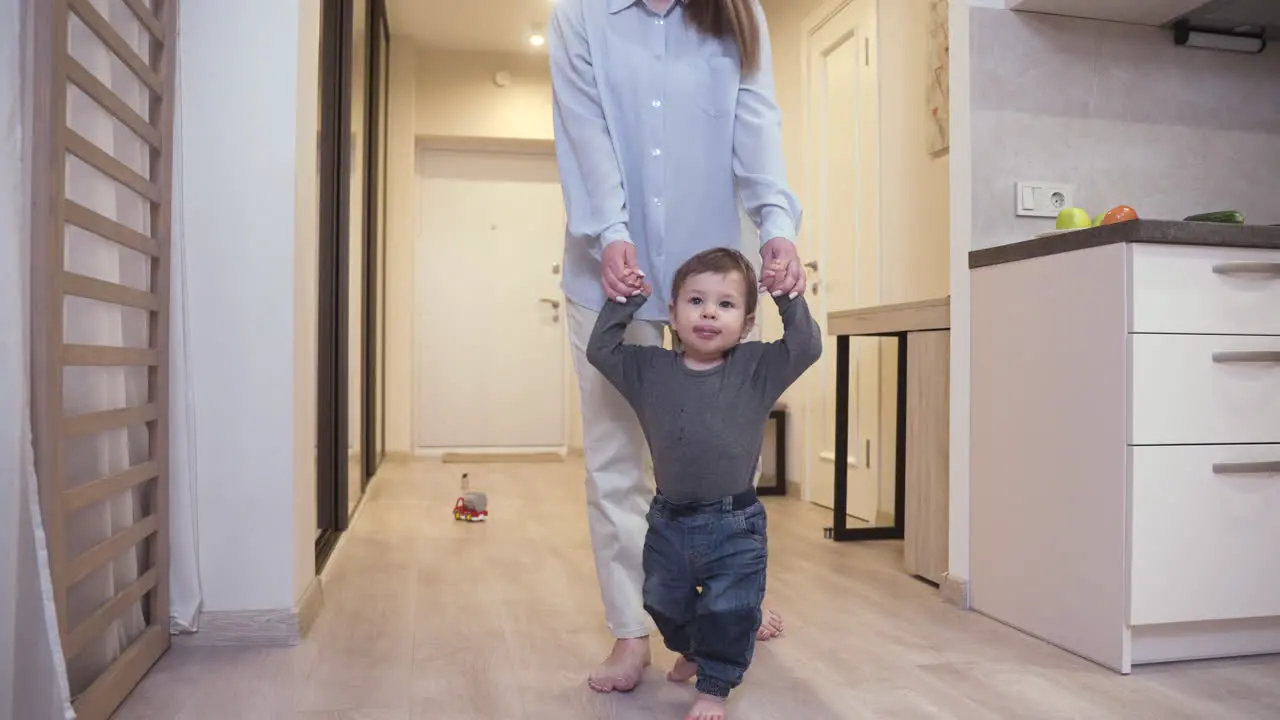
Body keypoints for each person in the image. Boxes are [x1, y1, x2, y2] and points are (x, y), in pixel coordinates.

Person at [548, 0, 808, 694]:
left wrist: (777, 222)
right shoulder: (581, 14)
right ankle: (633, 631)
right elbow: (585, 135)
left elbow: (757, 127)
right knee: (614, 461)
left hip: (714, 273)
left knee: (726, 460)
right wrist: (610, 233)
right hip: (613, 267)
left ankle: (727, 610)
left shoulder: (737, 12)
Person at [586, 248, 822, 720]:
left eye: (726, 304)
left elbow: (807, 346)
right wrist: (624, 303)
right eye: (695, 300)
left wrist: (787, 297)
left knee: (729, 609)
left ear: (747, 322)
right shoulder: (649, 370)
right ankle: (693, 648)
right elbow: (601, 351)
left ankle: (714, 687)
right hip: (669, 521)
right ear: (672, 313)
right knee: (660, 599)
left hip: (734, 525)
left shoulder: (756, 367)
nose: (710, 312)